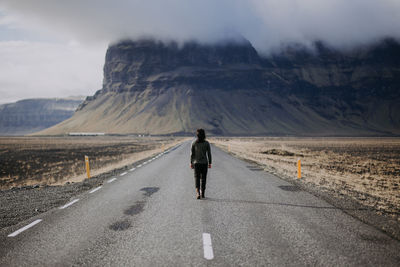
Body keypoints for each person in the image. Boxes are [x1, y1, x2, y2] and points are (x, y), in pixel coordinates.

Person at [190, 129, 212, 199]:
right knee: (204, 178)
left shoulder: (194, 143)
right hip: (204, 163)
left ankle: (198, 193)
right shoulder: (206, 143)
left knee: (197, 178)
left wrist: (191, 162)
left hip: (196, 163)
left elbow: (192, 154)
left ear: (197, 135)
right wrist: (210, 162)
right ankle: (203, 193)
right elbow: (209, 154)